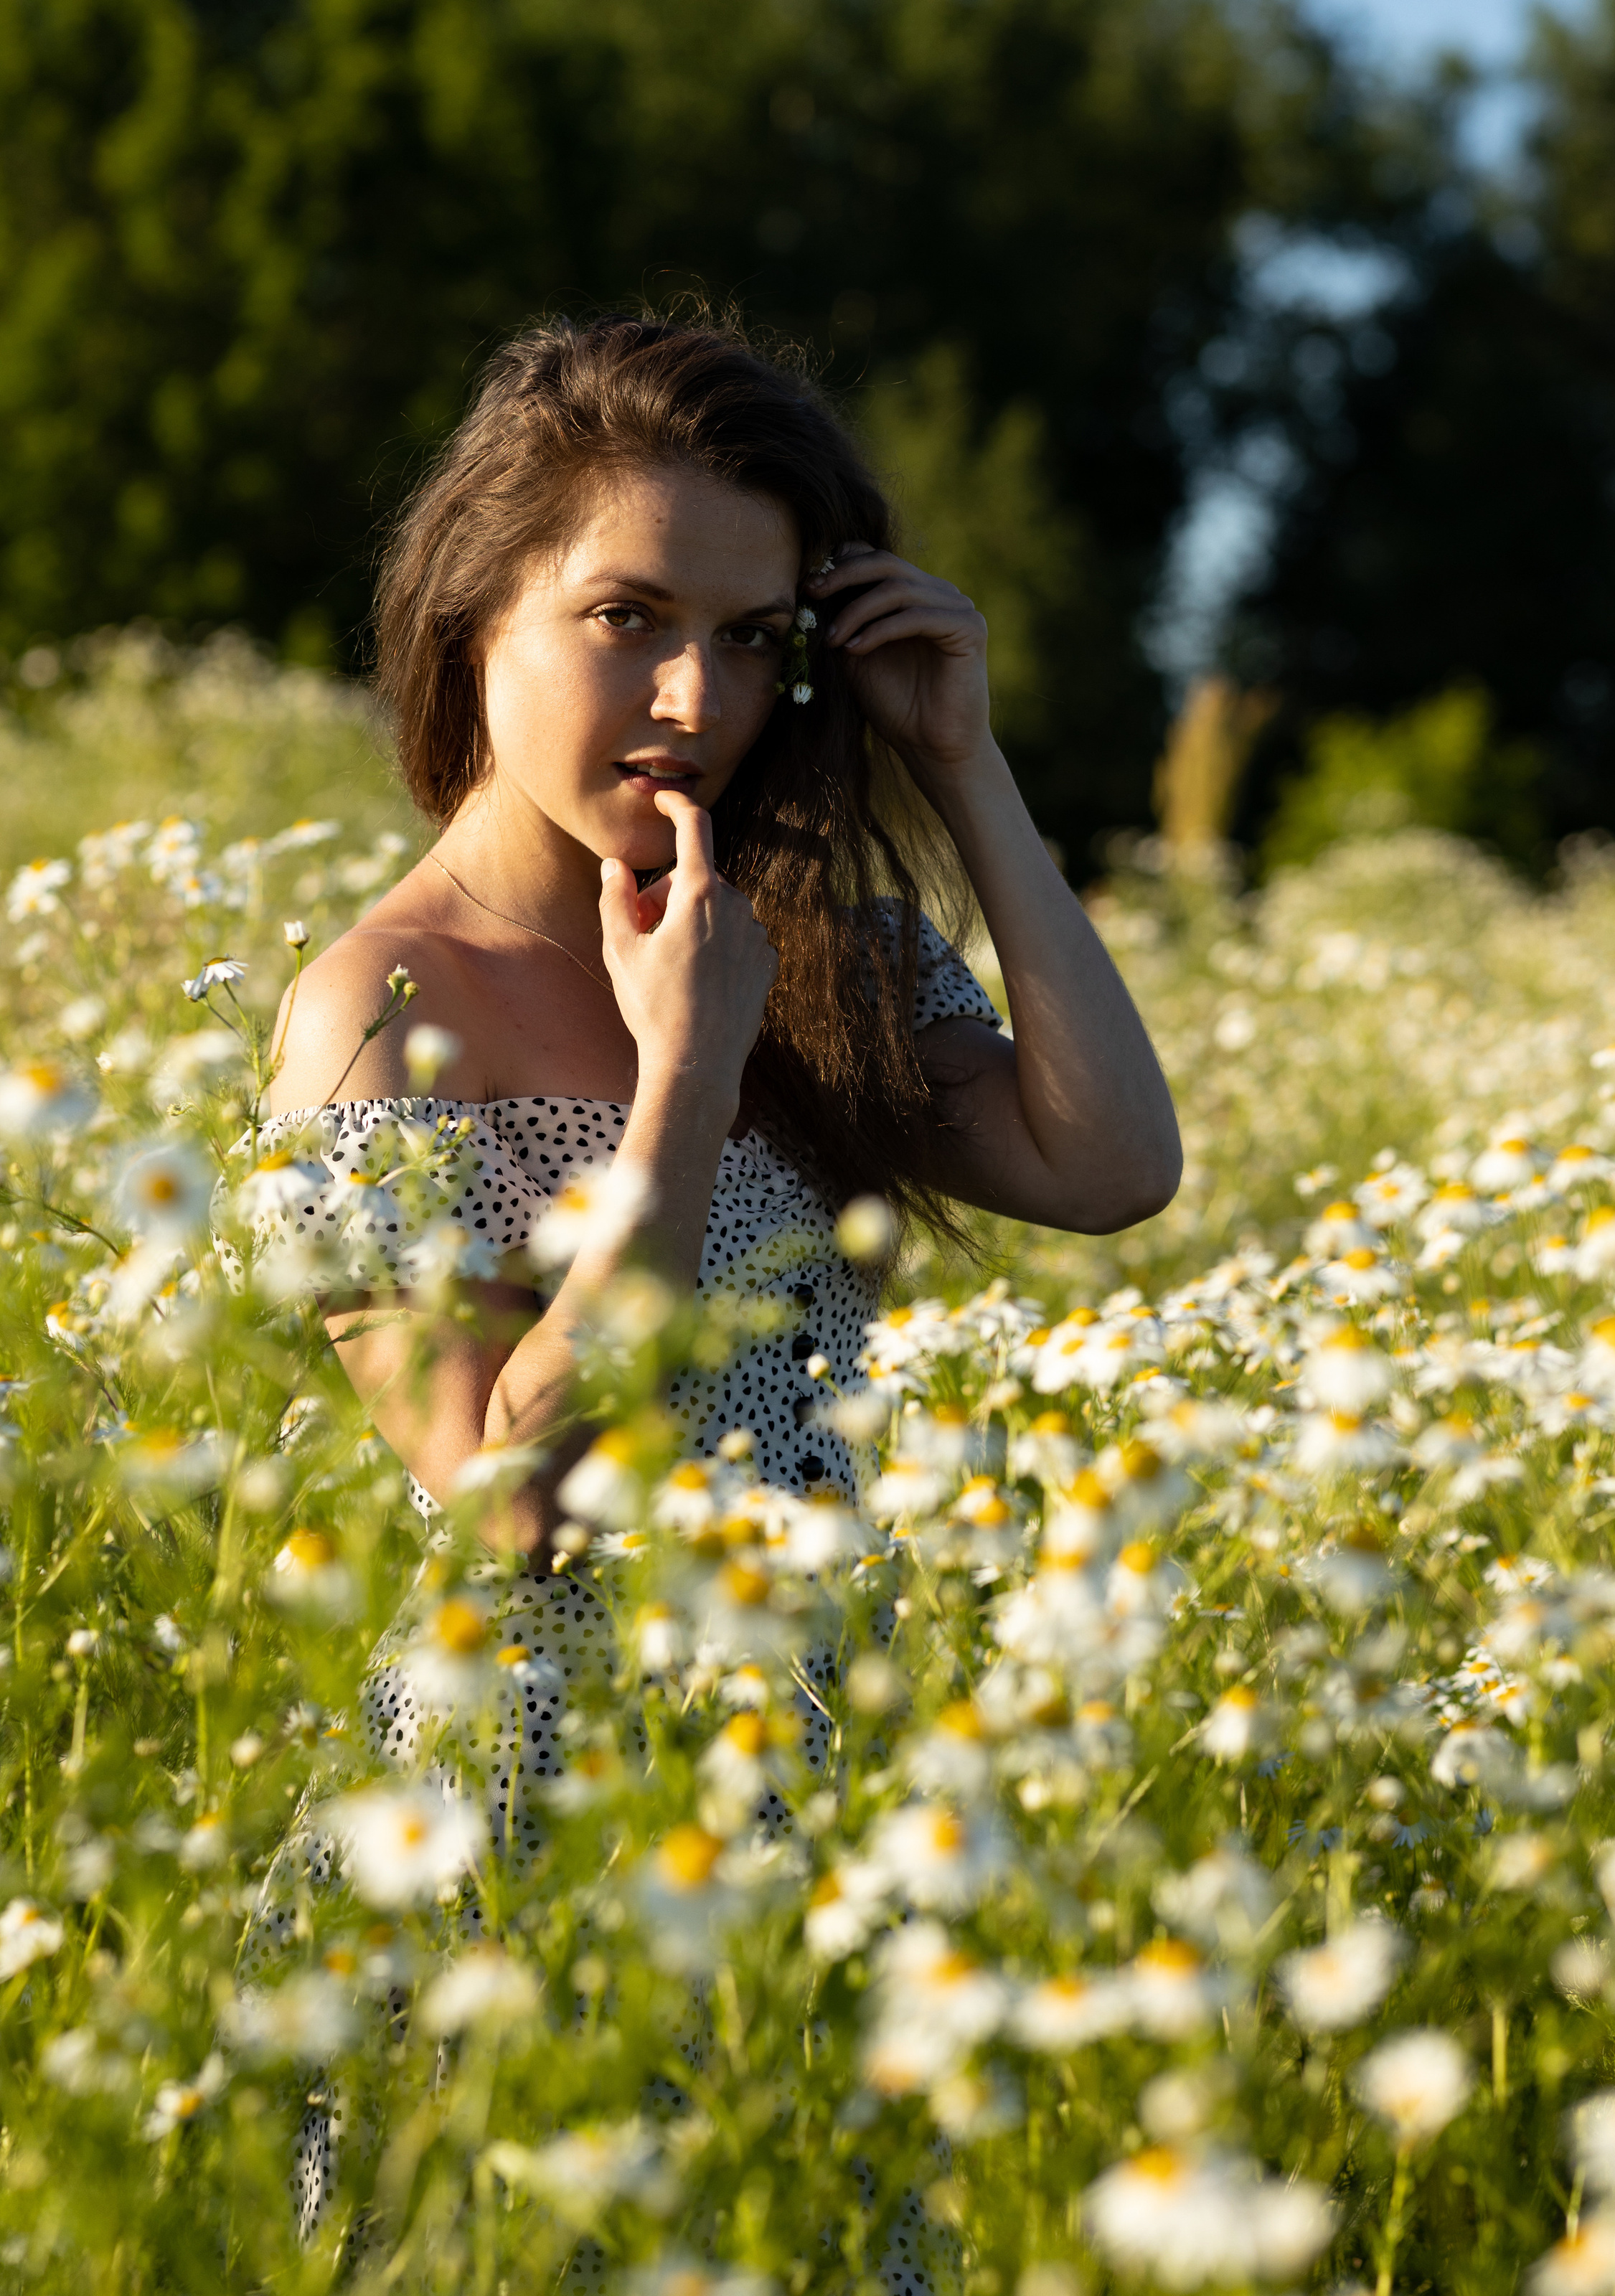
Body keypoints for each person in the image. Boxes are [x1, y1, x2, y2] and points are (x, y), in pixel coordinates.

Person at [250, 309, 1181, 2254]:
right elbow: (506, 1492)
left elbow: (1105, 1166)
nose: (693, 693)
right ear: (472, 620)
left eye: (754, 638)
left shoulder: (793, 940)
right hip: (532, 1857)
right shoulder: (376, 1009)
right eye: (627, 616)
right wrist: (682, 1082)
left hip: (809, 1832)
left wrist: (967, 770)